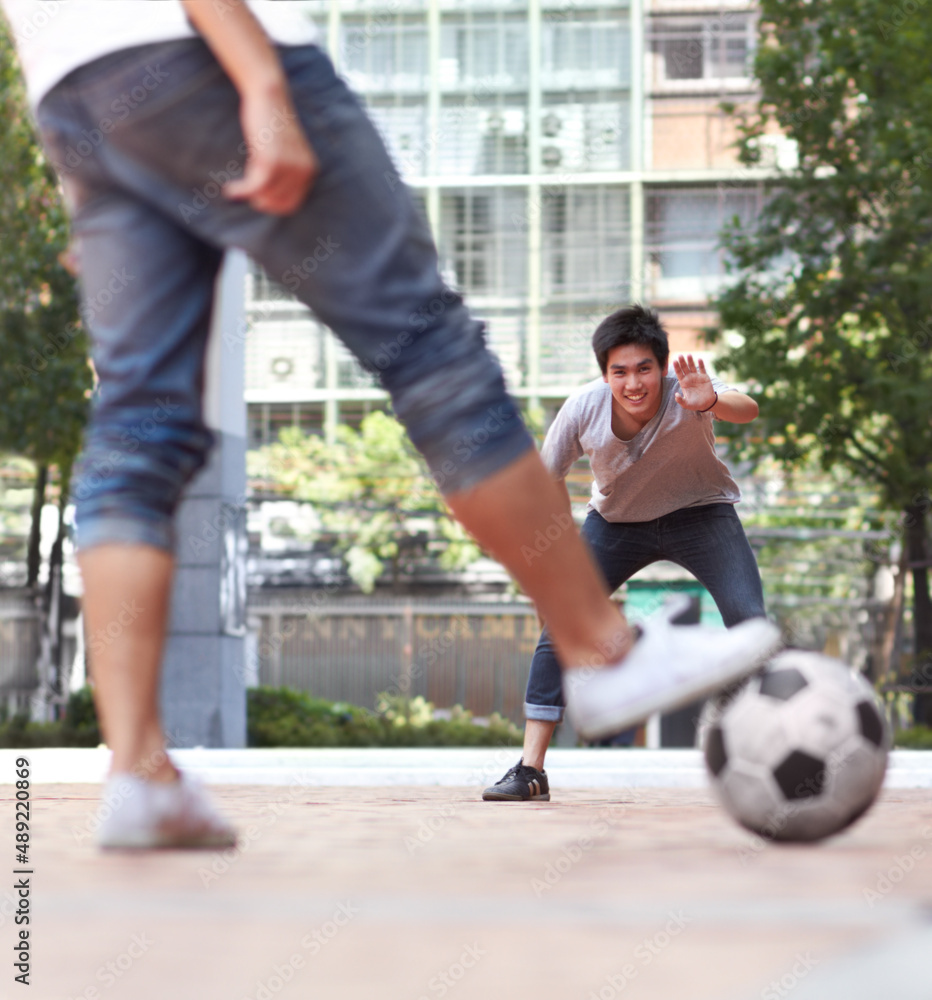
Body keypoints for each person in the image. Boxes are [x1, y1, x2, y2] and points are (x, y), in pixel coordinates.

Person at [0, 1, 779, 848]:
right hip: (203, 52)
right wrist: (259, 79)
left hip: (77, 91)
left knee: (136, 413)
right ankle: (604, 654)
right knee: (429, 350)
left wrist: (84, 167)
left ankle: (139, 769)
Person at [483, 306, 769, 802]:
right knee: (562, 625)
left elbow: (747, 407)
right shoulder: (583, 408)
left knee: (750, 621)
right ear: (604, 374)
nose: (633, 384)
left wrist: (713, 400)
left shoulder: (690, 387)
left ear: (661, 366)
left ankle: (768, 752)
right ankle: (531, 770)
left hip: (703, 515)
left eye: (643, 369)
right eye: (620, 372)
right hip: (616, 525)